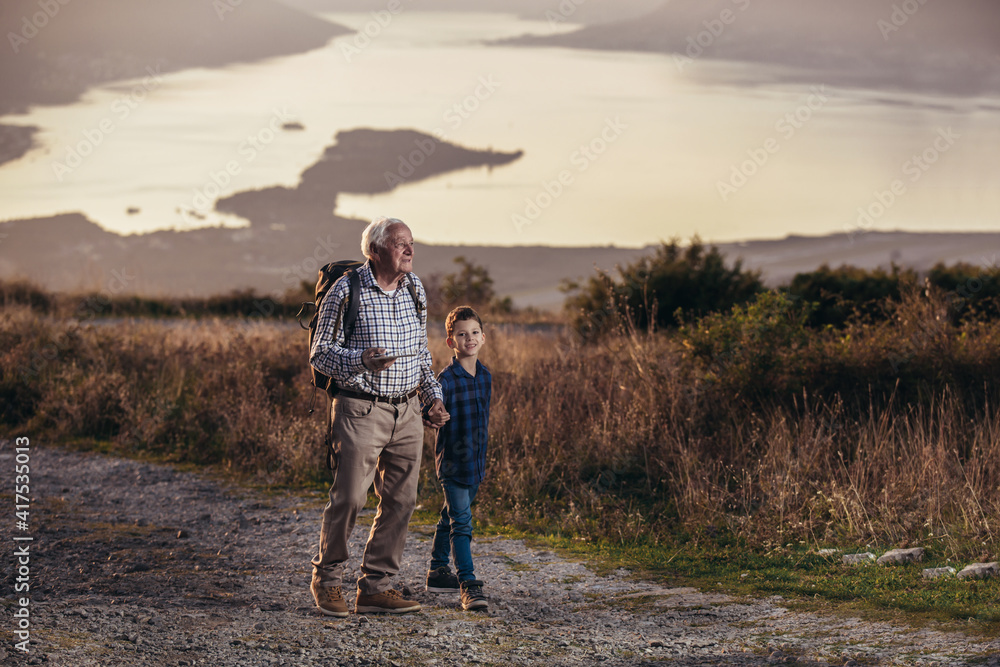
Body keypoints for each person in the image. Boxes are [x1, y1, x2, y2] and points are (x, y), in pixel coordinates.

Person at [309, 216, 449, 616]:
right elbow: (320, 353)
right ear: (375, 251)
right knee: (350, 497)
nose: (410, 250)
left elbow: (421, 354)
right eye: (400, 243)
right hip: (359, 409)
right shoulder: (345, 290)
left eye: (411, 242)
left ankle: (376, 587)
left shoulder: (415, 288)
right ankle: (328, 580)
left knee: (401, 501)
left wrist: (432, 398)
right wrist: (362, 360)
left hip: (407, 410)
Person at [424, 305, 492, 611]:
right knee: (462, 523)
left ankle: (438, 571)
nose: (469, 339)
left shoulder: (486, 376)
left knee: (450, 515)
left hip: (475, 462)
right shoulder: (446, 379)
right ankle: (468, 584)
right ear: (451, 342)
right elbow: (433, 403)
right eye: (462, 334)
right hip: (452, 463)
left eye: (474, 332)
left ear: (483, 337)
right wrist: (432, 413)